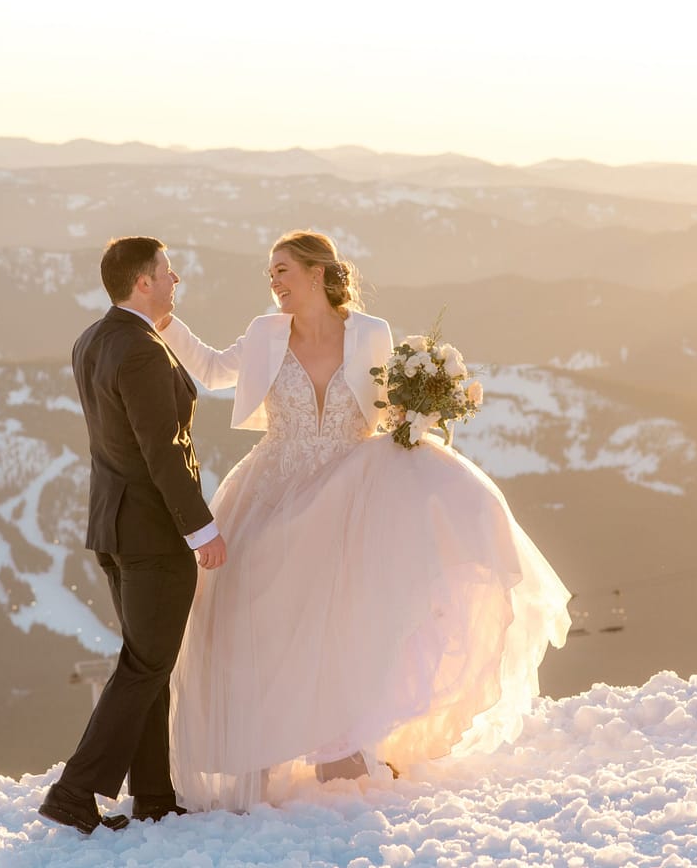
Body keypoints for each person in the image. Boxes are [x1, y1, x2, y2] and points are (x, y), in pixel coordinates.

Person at [157, 230, 571, 812]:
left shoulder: (371, 334)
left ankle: (338, 745)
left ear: (318, 273)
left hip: (353, 490)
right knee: (261, 611)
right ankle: (266, 742)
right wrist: (162, 319)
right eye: (269, 274)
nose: (273, 282)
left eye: (282, 271)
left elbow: (390, 410)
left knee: (346, 616)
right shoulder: (265, 333)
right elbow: (210, 369)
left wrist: (422, 412)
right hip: (275, 488)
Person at [39, 236, 227, 835]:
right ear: (143, 282)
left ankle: (153, 795)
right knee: (145, 665)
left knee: (148, 661)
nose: (177, 283)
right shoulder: (142, 350)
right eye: (169, 274)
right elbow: (163, 452)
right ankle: (73, 791)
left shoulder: (90, 340)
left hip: (112, 526)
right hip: (151, 534)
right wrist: (201, 528)